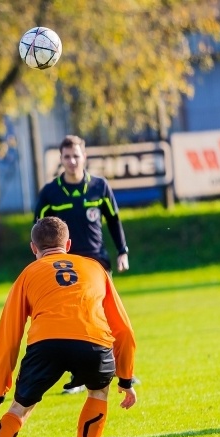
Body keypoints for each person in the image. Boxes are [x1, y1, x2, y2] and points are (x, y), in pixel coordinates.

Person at [0, 216, 136, 437]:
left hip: (47, 344)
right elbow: (124, 328)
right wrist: (127, 378)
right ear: (68, 245)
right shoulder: (95, 267)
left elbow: (8, 338)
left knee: (19, 410)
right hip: (93, 342)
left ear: (34, 248)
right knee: (99, 392)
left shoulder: (28, 274)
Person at [34, 134, 132, 394]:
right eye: (67, 157)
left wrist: (122, 251)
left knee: (107, 316)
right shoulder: (51, 192)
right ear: (61, 159)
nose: (72, 161)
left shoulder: (99, 187)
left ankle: (121, 371)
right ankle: (79, 376)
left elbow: (113, 220)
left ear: (84, 156)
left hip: (98, 263)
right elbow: (39, 229)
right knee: (73, 320)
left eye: (76, 156)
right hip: (66, 269)